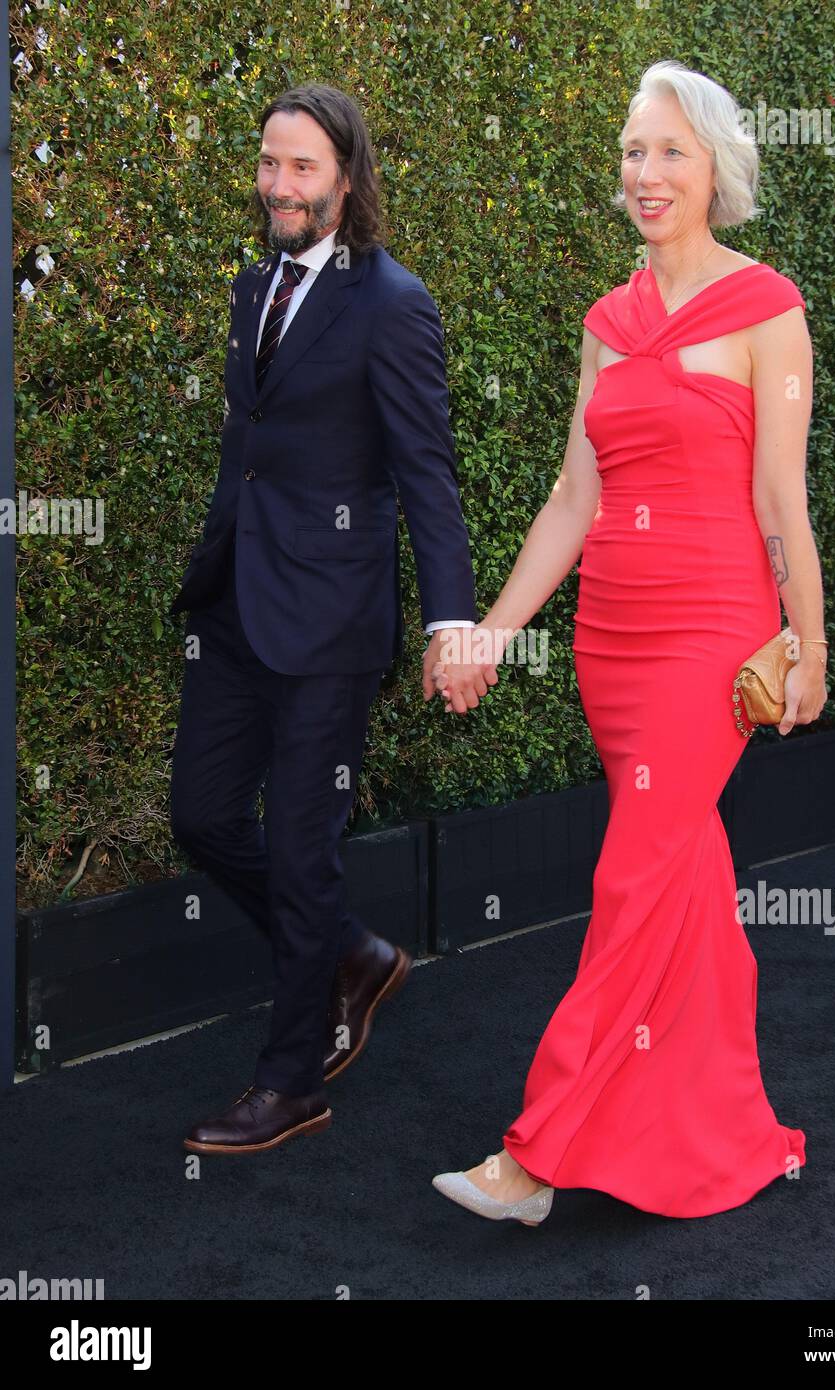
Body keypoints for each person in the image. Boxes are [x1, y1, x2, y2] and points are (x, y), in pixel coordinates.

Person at [430, 59, 826, 1224]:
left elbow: (780, 507)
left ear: (714, 170)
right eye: (630, 154)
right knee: (682, 880)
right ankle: (719, 1133)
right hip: (611, 634)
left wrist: (807, 643)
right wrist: (494, 632)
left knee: (628, 874)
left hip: (710, 637)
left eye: (668, 154)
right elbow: (571, 497)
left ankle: (534, 1157)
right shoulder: (609, 321)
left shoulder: (766, 308)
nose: (644, 175)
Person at [169, 84, 480, 1154]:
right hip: (235, 608)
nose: (279, 186)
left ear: (346, 177)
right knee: (201, 814)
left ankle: (289, 1079)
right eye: (269, 163)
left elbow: (425, 475)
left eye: (302, 168)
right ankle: (347, 951)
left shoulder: (391, 302)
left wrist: (452, 621)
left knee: (301, 854)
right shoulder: (253, 287)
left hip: (330, 623)